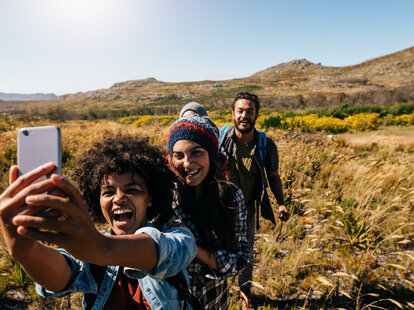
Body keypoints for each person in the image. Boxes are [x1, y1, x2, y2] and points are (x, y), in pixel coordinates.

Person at [0, 134, 197, 310]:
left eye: (132, 190)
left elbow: (166, 251)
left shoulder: (177, 235)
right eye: (108, 192)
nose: (119, 198)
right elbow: (60, 277)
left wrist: (101, 249)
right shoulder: (89, 248)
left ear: (150, 198)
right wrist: (26, 252)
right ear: (97, 200)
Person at [167, 115, 249, 309]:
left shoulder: (230, 196)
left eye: (196, 153)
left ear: (211, 154)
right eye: (179, 155)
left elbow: (239, 260)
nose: (187, 163)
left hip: (214, 299)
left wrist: (190, 246)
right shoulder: (166, 199)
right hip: (172, 300)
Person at [218, 92, 290, 309]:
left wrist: (281, 202)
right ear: (233, 113)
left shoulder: (265, 145)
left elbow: (274, 176)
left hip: (247, 208)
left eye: (249, 111)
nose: (244, 115)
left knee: (246, 252)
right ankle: (219, 291)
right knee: (218, 249)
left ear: (257, 114)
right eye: (240, 111)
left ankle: (244, 295)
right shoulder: (220, 140)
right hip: (220, 207)